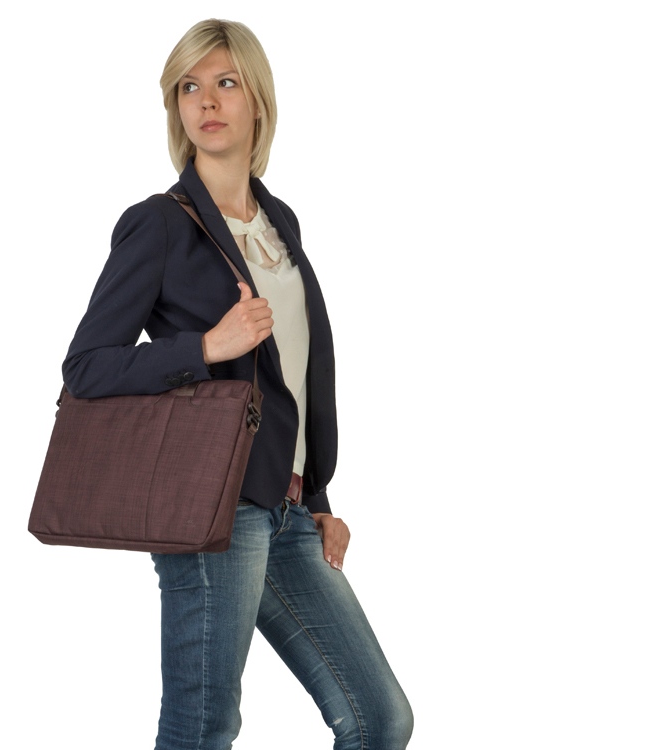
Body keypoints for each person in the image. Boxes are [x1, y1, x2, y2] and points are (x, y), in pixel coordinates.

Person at [62, 19, 413, 750]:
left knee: (379, 720)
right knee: (203, 728)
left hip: (287, 510)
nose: (207, 101)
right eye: (189, 87)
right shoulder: (158, 225)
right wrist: (205, 347)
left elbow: (296, 372)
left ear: (258, 100)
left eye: (226, 82)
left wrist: (317, 498)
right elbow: (86, 367)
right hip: (210, 510)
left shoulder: (279, 222)